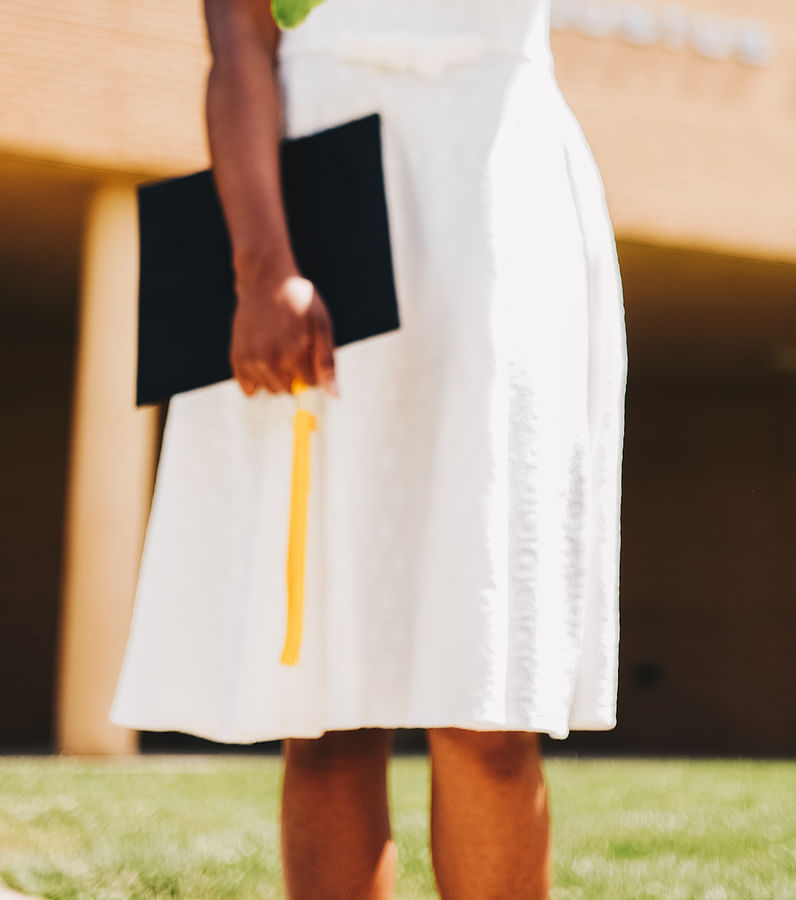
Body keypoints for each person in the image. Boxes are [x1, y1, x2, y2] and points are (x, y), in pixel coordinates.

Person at [110, 0, 627, 896]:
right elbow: (239, 45)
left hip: (497, 211)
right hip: (317, 201)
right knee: (327, 708)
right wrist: (263, 266)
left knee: (492, 712)